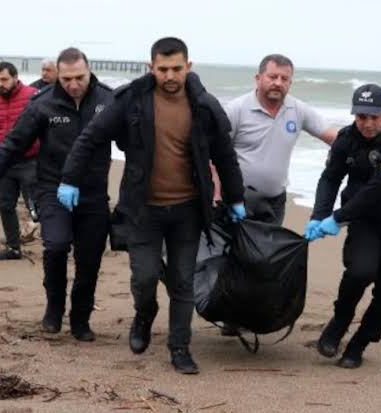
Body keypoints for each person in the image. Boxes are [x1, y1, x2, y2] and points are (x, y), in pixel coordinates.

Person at [59, 37, 246, 374]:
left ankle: (180, 348)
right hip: (143, 209)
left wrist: (235, 199)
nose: (170, 75)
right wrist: (69, 178)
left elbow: (225, 155)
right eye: (163, 69)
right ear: (151, 67)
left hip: (188, 211)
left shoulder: (204, 105)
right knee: (144, 278)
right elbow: (90, 138)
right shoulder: (131, 99)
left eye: (177, 69)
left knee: (183, 281)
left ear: (189, 67)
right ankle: (144, 316)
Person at [0, 48, 113, 342]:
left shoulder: (108, 101)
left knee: (90, 258)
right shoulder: (42, 103)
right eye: (67, 78)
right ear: (58, 75)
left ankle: (81, 317)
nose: (73, 84)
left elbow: (136, 143)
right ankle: (54, 308)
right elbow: (14, 144)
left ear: (90, 71)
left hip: (94, 192)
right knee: (57, 246)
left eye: (79, 77)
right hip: (51, 188)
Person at [305, 84, 381, 369]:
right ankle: (339, 322)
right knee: (360, 272)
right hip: (366, 222)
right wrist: (318, 214)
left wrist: (336, 219)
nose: (368, 123)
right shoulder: (347, 139)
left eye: (375, 117)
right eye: (361, 116)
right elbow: (330, 177)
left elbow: (375, 191)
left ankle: (360, 342)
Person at [218, 54, 336, 224]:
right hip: (238, 199)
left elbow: (333, 137)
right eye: (273, 77)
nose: (278, 83)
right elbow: (215, 155)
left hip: (275, 202)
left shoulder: (298, 110)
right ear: (258, 78)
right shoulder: (236, 109)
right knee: (233, 250)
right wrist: (216, 196)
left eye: (284, 79)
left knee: (270, 251)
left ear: (290, 83)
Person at [0, 62, 39, 260]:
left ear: (15, 77)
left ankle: (63, 242)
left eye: (4, 79)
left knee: (38, 207)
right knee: (5, 205)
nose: (0, 84)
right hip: (4, 162)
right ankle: (13, 248)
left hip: (32, 160)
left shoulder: (34, 96)